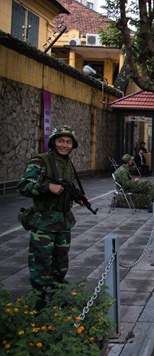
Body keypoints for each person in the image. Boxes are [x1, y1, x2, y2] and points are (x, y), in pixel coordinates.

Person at [16, 125, 86, 302]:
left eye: (68, 142)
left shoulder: (67, 163)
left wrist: (77, 196)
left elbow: (66, 187)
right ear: (53, 142)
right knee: (41, 264)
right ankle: (39, 301)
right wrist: (47, 187)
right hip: (44, 223)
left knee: (60, 265)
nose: (64, 145)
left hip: (63, 223)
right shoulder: (41, 161)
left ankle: (56, 299)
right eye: (61, 141)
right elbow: (23, 186)